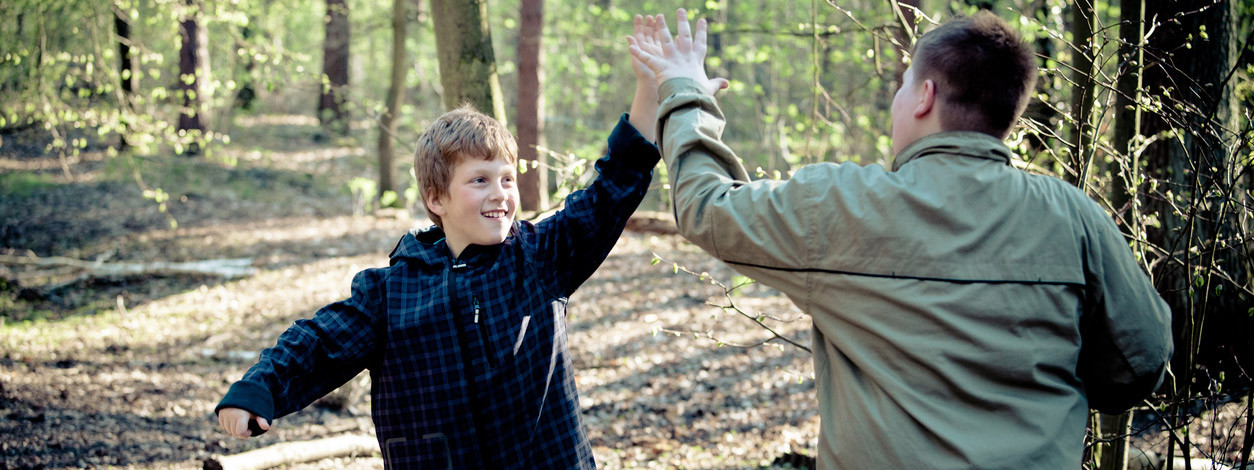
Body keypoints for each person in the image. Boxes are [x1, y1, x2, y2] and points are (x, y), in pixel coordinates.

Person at [629, 9, 1172, 469]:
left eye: (904, 83)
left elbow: (706, 207)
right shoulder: (1075, 217)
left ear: (925, 97)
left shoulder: (842, 206)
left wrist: (686, 91)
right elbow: (1143, 361)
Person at [215, 17, 665, 469]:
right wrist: (260, 389)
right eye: (479, 180)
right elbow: (318, 343)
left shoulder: (540, 257)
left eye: (507, 178)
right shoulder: (390, 294)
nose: (500, 193)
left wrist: (649, 88)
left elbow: (612, 189)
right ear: (436, 198)